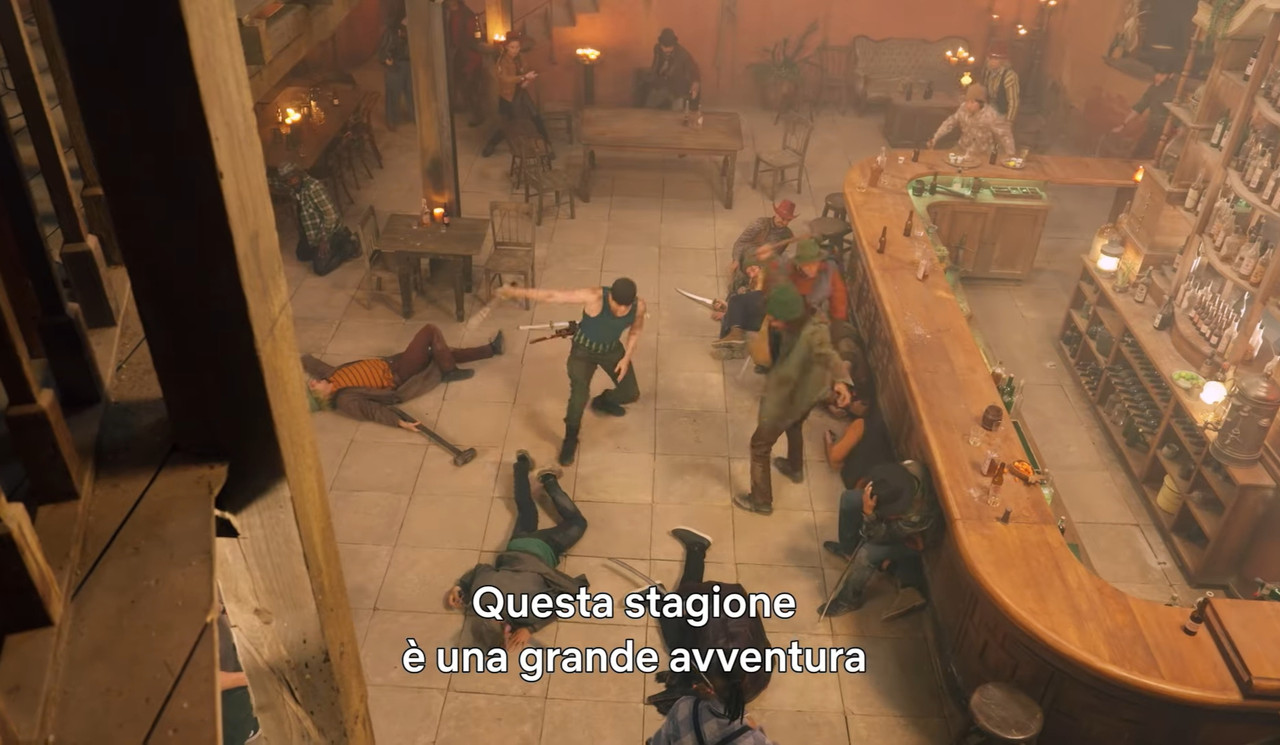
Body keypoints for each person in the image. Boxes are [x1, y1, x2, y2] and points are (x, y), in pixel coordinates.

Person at [446, 452, 588, 652]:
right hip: (517, 546)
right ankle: (521, 464)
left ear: (506, 630)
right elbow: (481, 569)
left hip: (544, 547)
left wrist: (531, 628)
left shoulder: (527, 612)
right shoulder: (480, 595)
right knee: (526, 510)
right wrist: (460, 586)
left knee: (578, 523)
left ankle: (549, 480)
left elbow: (564, 602)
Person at [497, 279, 646, 466]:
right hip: (583, 352)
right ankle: (570, 438)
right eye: (618, 305)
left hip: (611, 350)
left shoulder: (638, 306)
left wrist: (626, 358)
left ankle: (603, 401)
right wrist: (515, 292)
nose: (622, 310)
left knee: (630, 393)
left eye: (627, 306)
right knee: (579, 397)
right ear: (611, 298)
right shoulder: (594, 297)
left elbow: (635, 331)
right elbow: (553, 296)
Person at [733, 284, 853, 515]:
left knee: (759, 446)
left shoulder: (802, 341)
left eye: (777, 318)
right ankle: (794, 466)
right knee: (795, 424)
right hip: (810, 395)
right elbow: (828, 353)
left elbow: (782, 380)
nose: (772, 321)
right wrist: (840, 381)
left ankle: (761, 501)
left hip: (789, 399)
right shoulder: (814, 323)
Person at [647, 529, 774, 745]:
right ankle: (695, 550)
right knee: (679, 631)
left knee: (678, 644)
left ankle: (664, 592)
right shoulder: (713, 642)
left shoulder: (752, 679)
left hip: (733, 604)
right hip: (716, 600)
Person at [303, 325, 504, 428]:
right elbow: (373, 411)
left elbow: (315, 365)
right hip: (399, 375)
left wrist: (297, 357)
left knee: (440, 351)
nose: (312, 382)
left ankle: (490, 350)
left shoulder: (330, 377)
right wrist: (399, 422)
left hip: (393, 362)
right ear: (322, 397)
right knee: (430, 332)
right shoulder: (345, 400)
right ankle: (450, 371)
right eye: (312, 388)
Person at [819, 462, 938, 619]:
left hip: (913, 540)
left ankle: (848, 599)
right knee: (849, 498)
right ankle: (848, 550)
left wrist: (869, 515)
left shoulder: (918, 514)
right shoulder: (909, 469)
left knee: (867, 552)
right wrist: (870, 496)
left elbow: (878, 537)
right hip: (895, 518)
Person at [268, 162, 357, 276]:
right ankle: (325, 248)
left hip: (328, 233)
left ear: (299, 174)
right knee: (301, 255)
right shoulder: (293, 186)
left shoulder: (314, 188)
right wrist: (263, 178)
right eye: (288, 180)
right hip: (312, 233)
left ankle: (347, 247)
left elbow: (331, 215)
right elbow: (279, 184)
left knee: (320, 269)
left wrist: (324, 239)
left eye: (293, 178)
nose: (292, 182)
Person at [480, 34, 552, 158]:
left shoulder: (521, 58)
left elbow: (526, 70)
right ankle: (491, 144)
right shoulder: (502, 61)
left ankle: (548, 146)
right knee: (508, 124)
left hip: (521, 92)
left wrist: (528, 79)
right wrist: (523, 77)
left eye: (517, 47)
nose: (515, 50)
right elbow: (505, 79)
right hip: (507, 95)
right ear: (506, 48)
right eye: (512, 47)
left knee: (536, 117)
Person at [822, 378, 897, 491]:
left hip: (861, 484)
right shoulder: (878, 431)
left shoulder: (862, 425)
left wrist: (828, 441)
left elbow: (834, 459)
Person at [926, 84, 1017, 161]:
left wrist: (1010, 154)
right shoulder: (963, 109)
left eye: (972, 102)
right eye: (967, 101)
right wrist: (935, 138)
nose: (968, 105)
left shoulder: (991, 115)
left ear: (981, 103)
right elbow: (949, 123)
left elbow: (1005, 135)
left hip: (982, 155)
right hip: (961, 148)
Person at [727, 201, 797, 296]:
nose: (784, 222)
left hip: (764, 264)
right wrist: (736, 260)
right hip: (748, 258)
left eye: (787, 220)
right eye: (782, 218)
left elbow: (778, 253)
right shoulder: (759, 224)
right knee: (738, 283)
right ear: (776, 214)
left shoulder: (787, 235)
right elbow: (741, 242)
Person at [1112, 60, 1179, 159]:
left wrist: (1177, 133)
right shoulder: (1153, 88)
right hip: (1152, 127)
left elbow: (1178, 116)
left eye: (1162, 74)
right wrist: (1123, 124)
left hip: (1166, 132)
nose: (1157, 77)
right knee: (1136, 154)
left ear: (1170, 75)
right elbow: (1140, 107)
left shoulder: (1175, 92)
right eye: (1157, 73)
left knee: (1151, 157)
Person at [443, 0, 485, 127]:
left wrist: (467, 56)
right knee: (459, 83)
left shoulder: (467, 15)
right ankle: (463, 105)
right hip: (458, 54)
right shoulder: (447, 13)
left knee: (471, 86)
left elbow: (473, 38)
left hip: (469, 55)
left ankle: (477, 115)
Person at [645, 28, 701, 111]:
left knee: (677, 113)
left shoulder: (683, 54)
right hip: (661, 85)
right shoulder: (657, 49)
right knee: (649, 109)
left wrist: (695, 85)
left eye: (669, 51)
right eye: (664, 49)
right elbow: (655, 67)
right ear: (660, 45)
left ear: (674, 45)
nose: (667, 52)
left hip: (678, 88)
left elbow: (694, 70)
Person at [379, 19, 413, 130]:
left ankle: (413, 115)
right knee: (393, 93)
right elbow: (383, 52)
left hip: (410, 65)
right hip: (395, 65)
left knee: (411, 92)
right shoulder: (390, 34)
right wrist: (387, 60)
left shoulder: (415, 32)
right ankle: (392, 120)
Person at [983, 43, 1020, 123]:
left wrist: (1008, 121)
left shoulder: (1010, 76)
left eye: (994, 59)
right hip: (989, 108)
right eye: (989, 58)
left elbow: (1013, 101)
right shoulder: (989, 72)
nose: (990, 61)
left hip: (1002, 112)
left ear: (1002, 61)